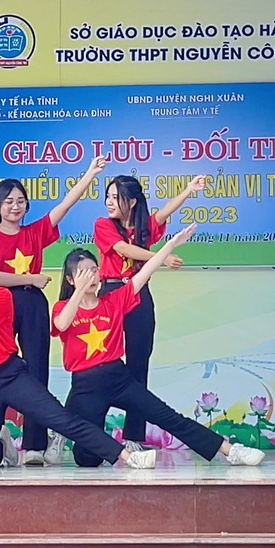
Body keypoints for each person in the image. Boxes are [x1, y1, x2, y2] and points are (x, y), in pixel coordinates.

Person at [0, 235, 158, 470]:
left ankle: (127, 456)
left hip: (11, 375)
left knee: (61, 419)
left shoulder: (1, 295)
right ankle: (1, 439)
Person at [55, 224, 265, 467]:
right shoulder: (63, 308)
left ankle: (231, 451)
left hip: (118, 378)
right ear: (70, 279)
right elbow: (61, 324)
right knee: (87, 459)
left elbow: (144, 272)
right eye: (82, 273)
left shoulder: (114, 300)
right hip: (86, 385)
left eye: (94, 270)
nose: (90, 277)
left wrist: (171, 245)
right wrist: (79, 291)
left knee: (168, 417)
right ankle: (112, 451)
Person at [0, 155, 108, 466]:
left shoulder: (35, 232)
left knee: (36, 371)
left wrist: (90, 174)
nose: (15, 206)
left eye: (21, 201)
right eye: (9, 201)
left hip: (33, 304)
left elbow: (66, 205)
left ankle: (35, 444)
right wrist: (30, 278)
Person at [94, 173, 206, 450]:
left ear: (132, 202)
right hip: (111, 293)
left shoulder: (144, 228)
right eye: (107, 197)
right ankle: (90, 430)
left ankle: (133, 437)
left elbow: (164, 212)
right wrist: (162, 257)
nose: (109, 202)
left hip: (138, 294)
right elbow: (123, 249)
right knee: (99, 362)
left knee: (138, 363)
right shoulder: (103, 225)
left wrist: (189, 190)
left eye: (116, 197)